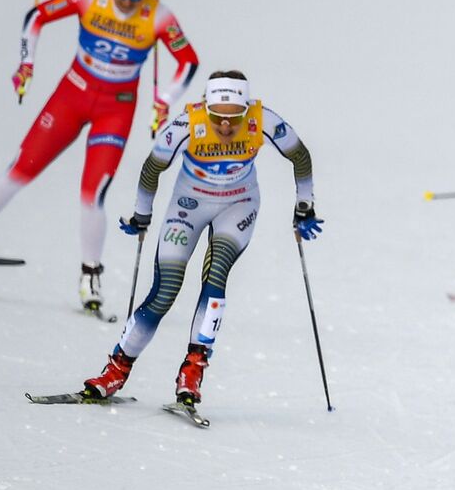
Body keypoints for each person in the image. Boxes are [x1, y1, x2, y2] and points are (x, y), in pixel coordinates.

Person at [0, 0, 200, 312]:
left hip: (115, 109)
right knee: (21, 169)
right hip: (71, 95)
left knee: (93, 193)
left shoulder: (158, 16)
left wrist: (163, 99)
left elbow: (188, 61)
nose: (127, 2)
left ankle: (90, 276)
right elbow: (36, 16)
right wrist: (26, 63)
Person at [81, 70, 320, 406]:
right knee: (165, 291)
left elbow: (300, 155)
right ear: (206, 107)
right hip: (188, 206)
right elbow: (152, 168)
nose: (225, 126)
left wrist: (304, 207)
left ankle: (192, 370)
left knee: (217, 273)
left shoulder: (262, 119)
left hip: (239, 205)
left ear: (245, 109)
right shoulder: (186, 123)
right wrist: (142, 214)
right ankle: (116, 369)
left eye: (234, 118)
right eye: (217, 118)